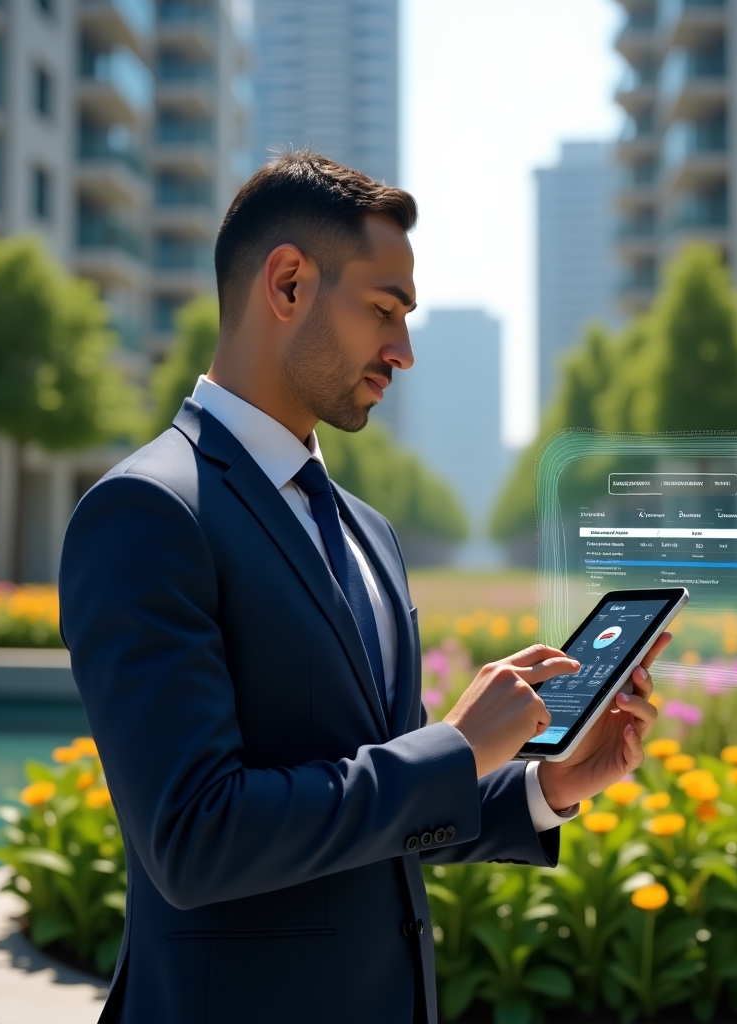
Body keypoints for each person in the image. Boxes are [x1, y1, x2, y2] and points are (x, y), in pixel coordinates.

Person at [59, 151, 668, 1024]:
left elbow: (379, 793)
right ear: (289, 284)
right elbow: (195, 837)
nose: (405, 352)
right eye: (385, 310)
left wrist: (546, 785)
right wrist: (455, 748)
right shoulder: (147, 512)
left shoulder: (368, 530)